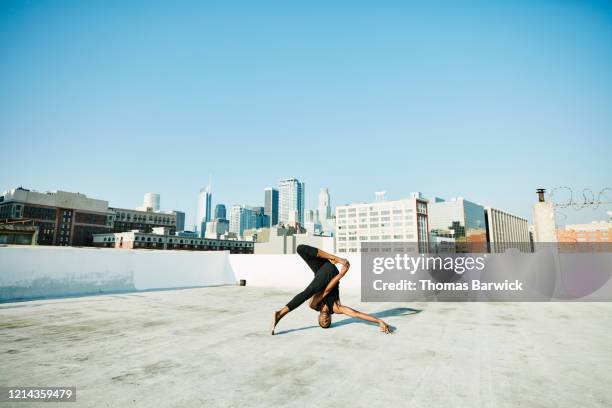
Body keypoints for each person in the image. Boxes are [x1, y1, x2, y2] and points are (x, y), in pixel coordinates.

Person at [270, 244, 390, 334]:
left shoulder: (313, 306)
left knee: (300, 249)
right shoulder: (336, 307)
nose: (325, 319)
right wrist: (379, 321)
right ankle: (335, 258)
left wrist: (341, 275)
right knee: (310, 289)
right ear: (331, 318)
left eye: (322, 321)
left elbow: (325, 291)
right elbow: (356, 314)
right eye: (327, 321)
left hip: (322, 271)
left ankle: (280, 313)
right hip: (330, 273)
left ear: (318, 318)